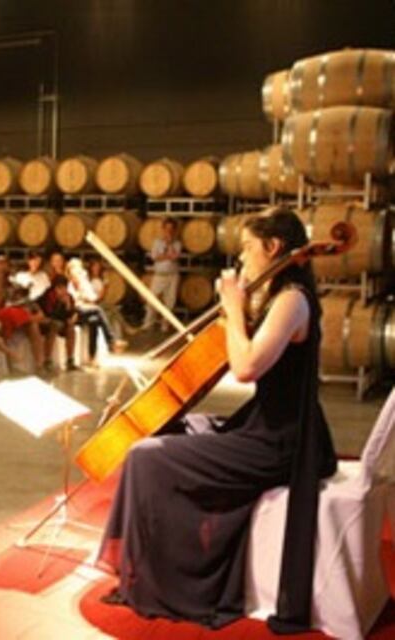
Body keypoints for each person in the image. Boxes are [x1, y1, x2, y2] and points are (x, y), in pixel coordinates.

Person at [97, 208, 336, 633]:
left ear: (273, 247)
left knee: (146, 456)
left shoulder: (292, 300)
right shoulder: (280, 295)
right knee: (173, 429)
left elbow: (245, 367)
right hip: (266, 425)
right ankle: (148, 566)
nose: (241, 260)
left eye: (247, 248)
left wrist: (232, 306)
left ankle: (168, 580)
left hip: (279, 441)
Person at [68, 258, 123, 365]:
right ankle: (111, 341)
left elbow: (92, 298)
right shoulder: (69, 284)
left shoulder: (84, 283)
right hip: (75, 312)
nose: (77, 272)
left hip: (85, 309)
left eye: (79, 270)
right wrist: (82, 297)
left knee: (95, 321)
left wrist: (84, 294)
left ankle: (91, 357)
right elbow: (72, 301)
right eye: (74, 270)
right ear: (70, 272)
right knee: (98, 310)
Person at [143, 217, 182, 332]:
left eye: (171, 229)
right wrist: (166, 255)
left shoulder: (177, 244)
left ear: (174, 231)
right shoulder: (157, 242)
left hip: (172, 275)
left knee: (170, 301)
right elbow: (155, 257)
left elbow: (175, 256)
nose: (169, 232)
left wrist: (169, 246)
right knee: (152, 299)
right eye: (167, 229)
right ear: (163, 229)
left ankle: (164, 325)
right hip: (159, 274)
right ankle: (148, 323)